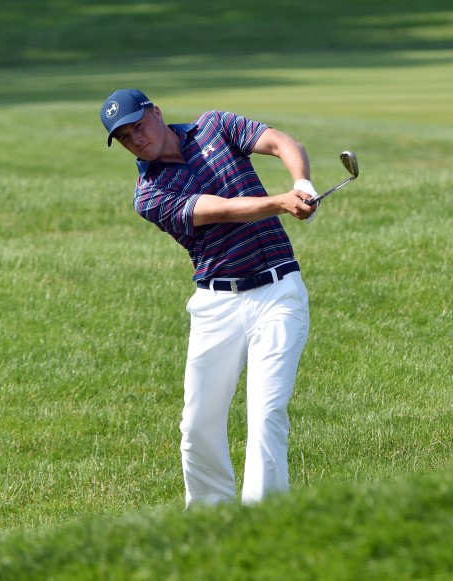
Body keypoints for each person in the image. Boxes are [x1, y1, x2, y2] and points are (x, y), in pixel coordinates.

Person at [100, 89, 318, 507]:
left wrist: (301, 182)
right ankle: (209, 518)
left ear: (156, 112)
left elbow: (280, 142)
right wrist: (281, 203)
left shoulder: (215, 126)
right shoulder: (148, 195)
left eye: (138, 126)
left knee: (267, 413)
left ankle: (264, 518)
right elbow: (220, 209)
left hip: (278, 292)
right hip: (216, 306)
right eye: (125, 137)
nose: (137, 140)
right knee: (198, 425)